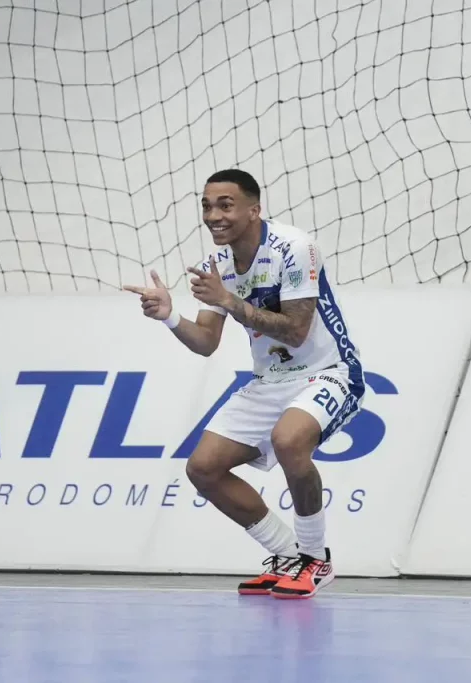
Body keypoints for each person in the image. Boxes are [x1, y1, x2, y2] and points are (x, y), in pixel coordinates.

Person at [124, 168, 363, 600]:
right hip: (270, 380)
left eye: (225, 205)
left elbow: (296, 331)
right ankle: (288, 555)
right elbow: (205, 343)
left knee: (290, 441)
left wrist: (229, 301)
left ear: (254, 210)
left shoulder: (295, 247)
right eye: (207, 205)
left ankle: (313, 558)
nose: (213, 215)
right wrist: (171, 316)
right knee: (203, 468)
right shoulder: (218, 264)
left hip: (329, 371)